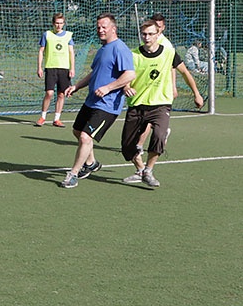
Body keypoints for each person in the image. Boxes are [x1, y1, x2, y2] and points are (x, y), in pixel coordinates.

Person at [120, 20, 204, 187]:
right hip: (137, 104)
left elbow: (184, 72)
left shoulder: (169, 53)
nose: (147, 37)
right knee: (127, 146)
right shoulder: (133, 55)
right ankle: (141, 170)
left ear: (158, 34)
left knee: (159, 135)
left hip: (161, 104)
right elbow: (124, 76)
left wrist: (196, 93)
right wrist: (127, 87)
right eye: (144, 34)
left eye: (151, 34)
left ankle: (149, 170)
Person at [59, 13, 136, 189]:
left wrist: (109, 88)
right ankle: (91, 163)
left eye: (104, 27)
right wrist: (77, 86)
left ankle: (73, 174)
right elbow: (95, 73)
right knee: (78, 131)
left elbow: (130, 74)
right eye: (98, 27)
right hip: (92, 101)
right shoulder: (103, 48)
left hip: (107, 106)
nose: (100, 30)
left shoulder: (120, 48)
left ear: (113, 29)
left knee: (86, 137)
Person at [35, 13, 75, 127]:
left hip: (64, 69)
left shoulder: (68, 35)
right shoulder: (47, 34)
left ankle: (57, 119)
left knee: (61, 94)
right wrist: (39, 67)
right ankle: (43, 117)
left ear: (64, 24)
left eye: (61, 23)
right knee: (49, 93)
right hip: (50, 68)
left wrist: (72, 68)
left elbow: (71, 52)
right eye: (57, 23)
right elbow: (41, 51)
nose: (59, 25)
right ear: (53, 23)